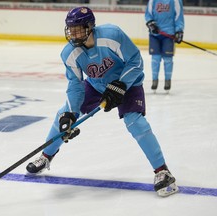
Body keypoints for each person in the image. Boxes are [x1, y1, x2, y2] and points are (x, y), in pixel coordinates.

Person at [26, 6, 178, 197]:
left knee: (135, 122)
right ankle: (46, 156)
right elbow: (75, 85)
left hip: (127, 84)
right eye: (70, 29)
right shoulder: (69, 53)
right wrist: (71, 113)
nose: (73, 33)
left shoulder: (112, 35)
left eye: (77, 28)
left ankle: (162, 171)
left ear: (90, 26)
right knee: (63, 116)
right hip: (96, 86)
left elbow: (136, 62)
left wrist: (121, 84)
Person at [145, 0, 184, 91]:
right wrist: (151, 23)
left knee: (168, 59)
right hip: (155, 35)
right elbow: (148, 14)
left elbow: (179, 16)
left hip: (169, 34)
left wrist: (179, 30)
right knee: (155, 58)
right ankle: (154, 80)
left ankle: (167, 80)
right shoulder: (153, 0)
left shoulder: (175, 1)